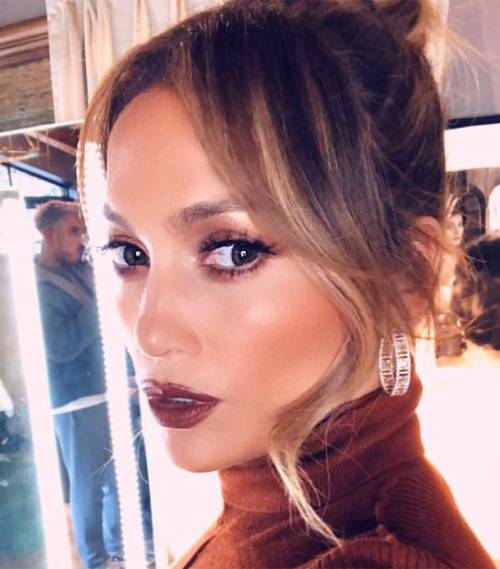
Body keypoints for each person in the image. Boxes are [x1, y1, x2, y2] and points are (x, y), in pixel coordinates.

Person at [79, 1, 496, 567]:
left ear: (407, 276)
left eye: (233, 251)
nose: (150, 333)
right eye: (130, 253)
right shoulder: (267, 514)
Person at [33, 200, 123, 569]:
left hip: (107, 387)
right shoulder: (37, 286)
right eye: (74, 231)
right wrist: (99, 300)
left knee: (118, 480)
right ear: (49, 235)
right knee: (89, 487)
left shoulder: (80, 271)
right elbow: (62, 346)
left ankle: (121, 549)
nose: (81, 239)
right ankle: (96, 561)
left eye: (82, 231)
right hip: (74, 400)